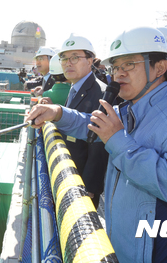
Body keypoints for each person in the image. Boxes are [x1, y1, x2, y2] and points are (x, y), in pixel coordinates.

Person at [26, 26, 167, 263]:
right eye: (115, 66)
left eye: (129, 64)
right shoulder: (129, 108)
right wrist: (56, 112)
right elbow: (91, 123)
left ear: (159, 67)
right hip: (124, 246)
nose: (119, 74)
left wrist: (117, 140)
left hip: (162, 253)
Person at [58, 33, 108, 208]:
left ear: (90, 60)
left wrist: (90, 185)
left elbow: (100, 144)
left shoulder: (102, 94)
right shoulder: (74, 88)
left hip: (82, 183)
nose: (68, 63)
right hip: (68, 173)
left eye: (75, 57)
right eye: (63, 58)